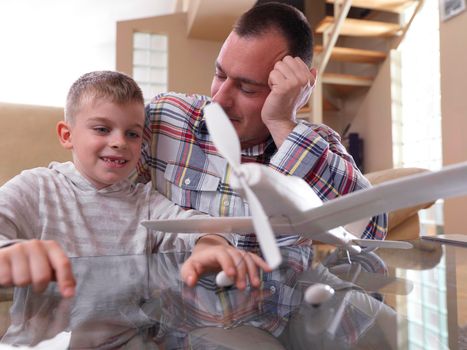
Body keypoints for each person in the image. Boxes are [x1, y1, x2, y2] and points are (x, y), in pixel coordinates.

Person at [135, 2, 388, 270]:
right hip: (178, 303)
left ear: (296, 89)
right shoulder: (167, 117)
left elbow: (371, 238)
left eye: (247, 88)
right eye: (220, 74)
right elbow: (104, 190)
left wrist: (281, 123)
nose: (219, 100)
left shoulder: (317, 145)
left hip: (275, 308)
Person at [0, 71, 269, 299]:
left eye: (132, 134)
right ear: (67, 135)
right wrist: (10, 253)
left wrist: (211, 246)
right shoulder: (37, 187)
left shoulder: (146, 203)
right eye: (102, 129)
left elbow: (200, 226)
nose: (120, 142)